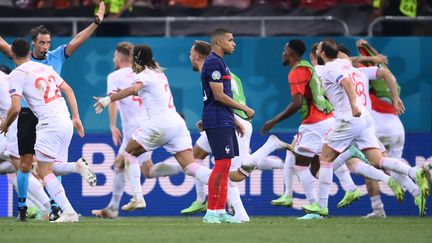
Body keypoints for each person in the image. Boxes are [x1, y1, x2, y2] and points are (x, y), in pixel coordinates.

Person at [0, 1, 105, 221]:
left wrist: (96, 23)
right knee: (28, 164)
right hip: (30, 117)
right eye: (41, 43)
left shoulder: (53, 58)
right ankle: (25, 208)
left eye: (48, 43)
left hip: (47, 117)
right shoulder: (25, 61)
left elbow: (78, 40)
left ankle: (59, 208)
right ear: (32, 45)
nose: (45, 46)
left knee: (49, 167)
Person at [302, 39, 429, 217]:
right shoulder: (344, 63)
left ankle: (321, 206)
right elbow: (351, 60)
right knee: (378, 160)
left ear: (321, 54)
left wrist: (353, 104)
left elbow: (345, 81)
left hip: (349, 119)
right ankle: (415, 172)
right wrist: (374, 57)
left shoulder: (326, 69)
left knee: (326, 159)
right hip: (366, 119)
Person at [93, 44, 218, 222]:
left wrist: (108, 99)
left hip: (159, 124)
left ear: (136, 59)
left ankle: (138, 198)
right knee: (190, 167)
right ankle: (222, 182)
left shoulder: (143, 75)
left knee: (129, 153)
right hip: (177, 123)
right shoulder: (159, 73)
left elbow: (133, 90)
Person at [0, 38, 85, 223]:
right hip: (65, 120)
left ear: (12, 55)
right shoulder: (47, 69)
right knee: (51, 168)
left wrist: (5, 125)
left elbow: (15, 108)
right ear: (30, 53)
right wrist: (76, 117)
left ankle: (66, 211)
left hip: (48, 123)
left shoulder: (17, 73)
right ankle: (76, 167)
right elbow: (68, 90)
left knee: (43, 169)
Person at [199, 28, 256, 223]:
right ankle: (212, 211)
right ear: (219, 43)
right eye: (230, 40)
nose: (234, 43)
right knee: (222, 165)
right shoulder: (214, 63)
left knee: (225, 166)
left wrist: (234, 120)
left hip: (223, 118)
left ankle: (220, 210)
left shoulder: (220, 63)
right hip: (217, 119)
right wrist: (244, 109)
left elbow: (220, 98)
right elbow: (219, 96)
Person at [91, 41, 153, 218]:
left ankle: (190, 167)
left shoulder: (115, 76)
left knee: (144, 169)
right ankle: (112, 208)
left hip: (133, 127)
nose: (113, 59)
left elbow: (112, 100)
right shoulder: (143, 73)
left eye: (114, 56)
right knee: (122, 165)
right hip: (148, 123)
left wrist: (112, 124)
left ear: (119, 58)